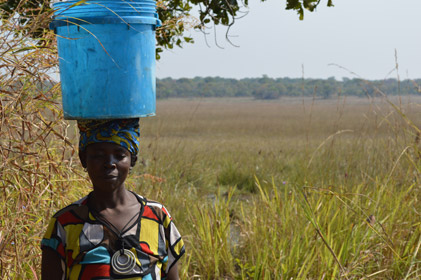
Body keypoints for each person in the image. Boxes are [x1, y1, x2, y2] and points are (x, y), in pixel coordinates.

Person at [41, 119, 185, 280]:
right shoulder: (65, 223)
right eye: (98, 156)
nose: (109, 164)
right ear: (83, 159)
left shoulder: (157, 216)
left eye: (119, 155)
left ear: (133, 160)